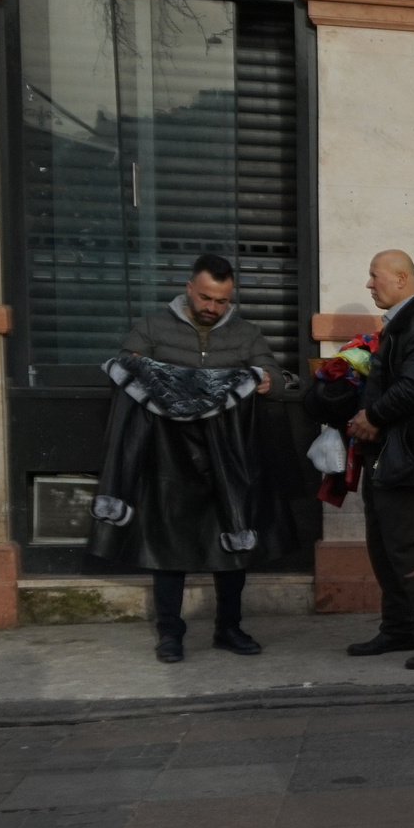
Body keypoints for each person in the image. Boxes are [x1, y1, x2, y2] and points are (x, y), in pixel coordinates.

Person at [89, 254, 282, 663]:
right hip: (167, 459)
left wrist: (266, 381)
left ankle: (228, 628)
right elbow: (127, 365)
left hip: (226, 459)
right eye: (207, 298)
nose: (213, 308)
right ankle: (170, 634)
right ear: (189, 288)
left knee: (233, 548)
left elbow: (274, 375)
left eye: (222, 301)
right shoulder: (153, 326)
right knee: (168, 548)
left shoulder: (246, 333)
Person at [341, 249, 414, 663]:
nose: (369, 284)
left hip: (405, 457)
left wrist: (373, 414)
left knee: (404, 552)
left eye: (375, 276)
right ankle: (399, 630)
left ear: (402, 279)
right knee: (384, 549)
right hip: (389, 456)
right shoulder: (403, 325)